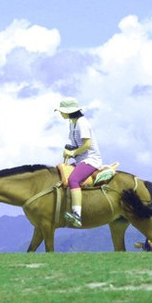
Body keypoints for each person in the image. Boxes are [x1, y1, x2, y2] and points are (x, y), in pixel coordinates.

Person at [54, 97, 108, 228]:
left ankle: (77, 215)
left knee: (73, 180)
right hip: (80, 160)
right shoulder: (72, 123)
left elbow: (87, 144)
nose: (60, 113)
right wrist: (69, 149)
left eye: (62, 111)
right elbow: (77, 145)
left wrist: (72, 153)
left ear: (69, 111)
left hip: (91, 160)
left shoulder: (82, 123)